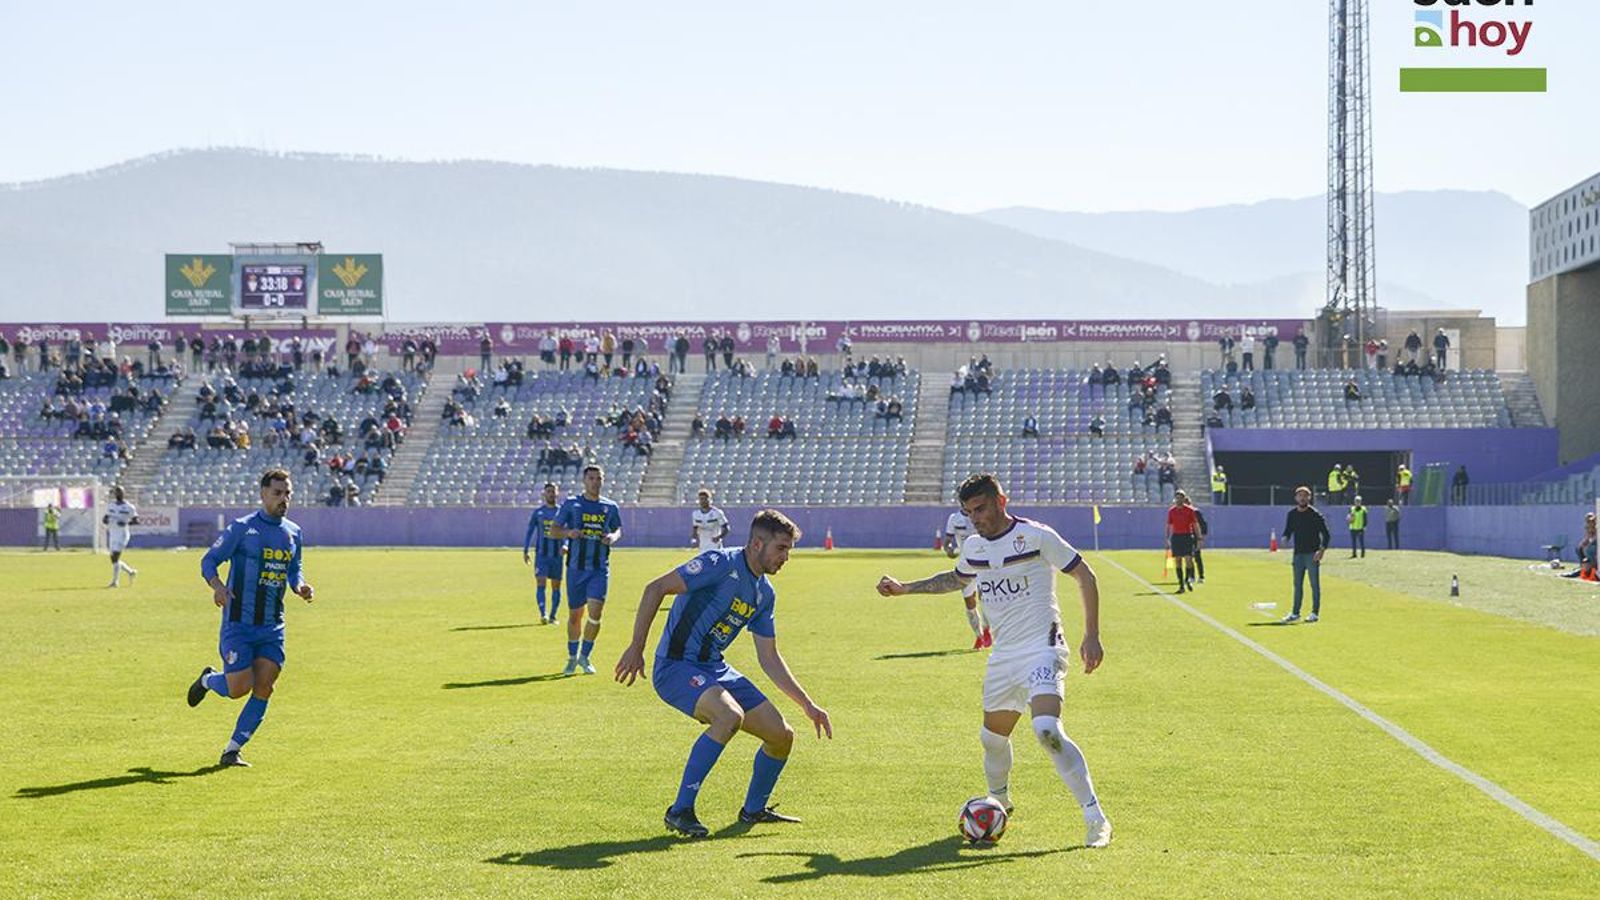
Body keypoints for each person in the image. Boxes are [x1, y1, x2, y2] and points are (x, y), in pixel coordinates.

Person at [874, 474, 1111, 849]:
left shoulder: (1036, 536)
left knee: (1046, 729)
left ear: (1001, 500)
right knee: (992, 739)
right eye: (968, 513)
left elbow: (1085, 575)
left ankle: (1095, 817)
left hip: (1042, 648)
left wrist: (1092, 635)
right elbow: (956, 578)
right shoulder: (974, 547)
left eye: (980, 509)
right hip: (1003, 656)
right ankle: (998, 801)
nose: (975, 519)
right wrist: (906, 588)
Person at [614, 510, 830, 838]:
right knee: (729, 716)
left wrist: (807, 705)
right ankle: (680, 810)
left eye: (788, 550)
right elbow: (655, 588)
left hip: (715, 667)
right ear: (757, 543)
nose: (786, 557)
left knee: (781, 736)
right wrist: (635, 648)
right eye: (781, 548)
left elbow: (769, 657)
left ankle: (754, 809)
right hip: (676, 666)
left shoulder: (764, 593)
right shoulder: (719, 564)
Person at [185, 468, 315, 767]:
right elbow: (209, 561)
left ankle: (232, 750)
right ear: (263, 494)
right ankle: (207, 680)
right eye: (278, 493)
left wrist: (300, 586)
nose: (284, 499)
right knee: (237, 688)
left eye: (288, 494)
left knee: (265, 685)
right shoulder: (242, 529)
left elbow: (294, 569)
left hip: (272, 626)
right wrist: (217, 586)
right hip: (239, 624)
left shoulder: (293, 532)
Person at [556, 465, 624, 675]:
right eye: (591, 478)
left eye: (598, 478)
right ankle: (571, 657)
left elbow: (618, 529)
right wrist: (569, 532)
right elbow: (554, 529)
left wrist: (613, 537)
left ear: (603, 481)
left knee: (595, 613)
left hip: (598, 569)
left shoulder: (610, 507)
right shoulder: (571, 504)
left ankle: (585, 656)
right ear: (584, 481)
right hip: (576, 569)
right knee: (575, 616)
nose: (595, 482)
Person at [942, 506, 990, 649]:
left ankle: (987, 631)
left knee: (987, 598)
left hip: (984, 563)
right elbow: (948, 541)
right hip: (966, 565)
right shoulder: (954, 519)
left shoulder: (981, 515)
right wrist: (949, 549)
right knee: (970, 602)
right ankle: (979, 635)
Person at [1281, 486, 1330, 624]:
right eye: (1300, 495)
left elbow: (1326, 534)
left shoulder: (1315, 515)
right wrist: (1285, 537)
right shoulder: (1292, 514)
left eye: (1305, 495)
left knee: (1314, 584)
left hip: (1312, 554)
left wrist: (1321, 551)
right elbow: (1288, 530)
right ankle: (1295, 613)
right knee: (1297, 585)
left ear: (1309, 498)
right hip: (1298, 555)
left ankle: (1314, 613)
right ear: (1296, 498)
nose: (1302, 498)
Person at [522, 482, 567, 625]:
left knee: (556, 586)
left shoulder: (562, 512)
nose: (551, 494)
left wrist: (566, 545)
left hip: (557, 555)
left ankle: (553, 616)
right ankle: (543, 614)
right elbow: (530, 531)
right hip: (542, 554)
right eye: (548, 491)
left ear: (557, 494)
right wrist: (526, 550)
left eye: (553, 491)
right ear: (544, 494)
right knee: (540, 583)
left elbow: (567, 531)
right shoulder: (538, 513)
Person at [102, 485, 140, 587]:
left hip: (122, 534)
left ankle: (115, 582)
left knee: (115, 556)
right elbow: (105, 518)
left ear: (123, 493)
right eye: (116, 492)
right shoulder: (111, 506)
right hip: (112, 534)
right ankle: (131, 572)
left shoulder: (129, 507)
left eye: (120, 492)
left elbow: (136, 520)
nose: (118, 494)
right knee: (114, 560)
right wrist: (105, 520)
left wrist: (126, 523)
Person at [1166, 490, 1201, 593]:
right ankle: (1181, 585)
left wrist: (1199, 537)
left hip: (1187, 536)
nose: (1178, 500)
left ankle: (1187, 580)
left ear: (1183, 499)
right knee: (1178, 561)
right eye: (1177, 498)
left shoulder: (1189, 511)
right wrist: (1167, 538)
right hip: (1176, 537)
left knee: (1189, 560)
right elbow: (1168, 525)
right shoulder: (1171, 511)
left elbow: (1195, 524)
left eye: (1180, 498)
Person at [1192, 505, 1209, 584]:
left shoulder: (1196, 512)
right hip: (1186, 536)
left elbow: (1203, 524)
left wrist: (1201, 537)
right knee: (1188, 557)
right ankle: (1191, 576)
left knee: (1197, 556)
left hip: (1196, 536)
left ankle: (1201, 576)